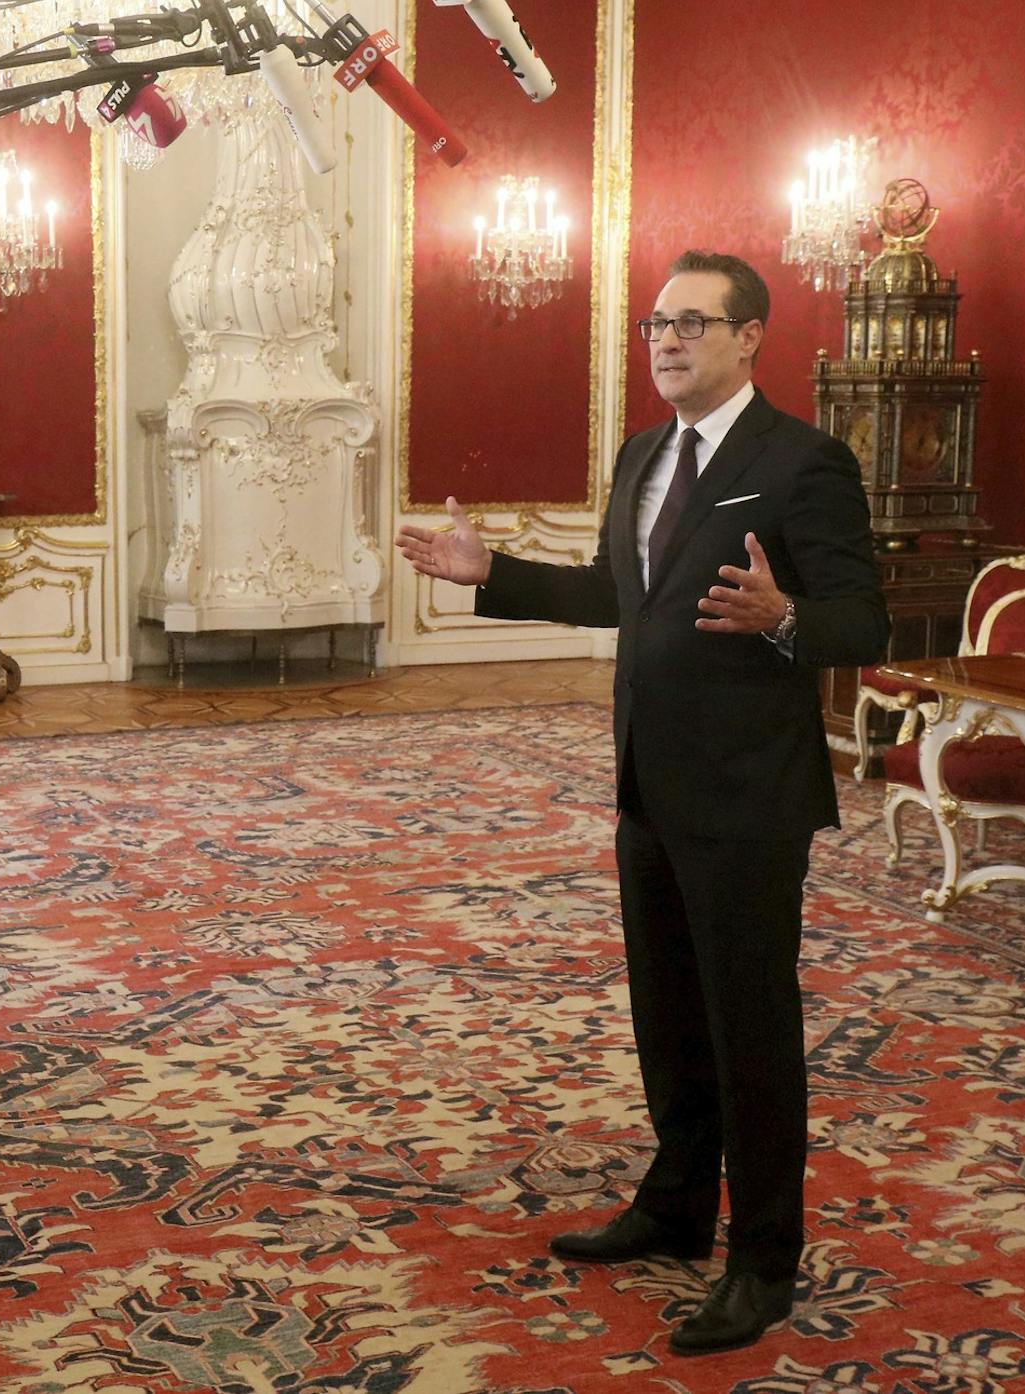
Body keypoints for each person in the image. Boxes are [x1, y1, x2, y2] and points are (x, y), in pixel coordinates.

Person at [396, 250, 889, 1356]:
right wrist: (493, 573)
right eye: (654, 323)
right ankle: (675, 1207)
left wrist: (783, 616)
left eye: (692, 323)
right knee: (668, 1017)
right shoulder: (643, 453)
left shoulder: (803, 461)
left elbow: (864, 620)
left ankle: (763, 1259)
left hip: (748, 799)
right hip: (650, 788)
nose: (666, 342)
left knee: (750, 1029)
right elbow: (621, 594)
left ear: (751, 335)